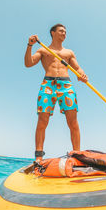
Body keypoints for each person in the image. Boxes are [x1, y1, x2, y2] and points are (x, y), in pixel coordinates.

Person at [24, 24, 88, 163]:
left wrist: (81, 75)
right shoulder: (43, 49)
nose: (64, 33)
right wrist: (30, 45)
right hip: (48, 85)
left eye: (65, 31)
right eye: (61, 31)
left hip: (66, 85)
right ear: (53, 33)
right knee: (42, 120)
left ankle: (77, 156)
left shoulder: (69, 53)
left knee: (73, 121)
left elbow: (78, 68)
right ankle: (39, 157)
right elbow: (28, 63)